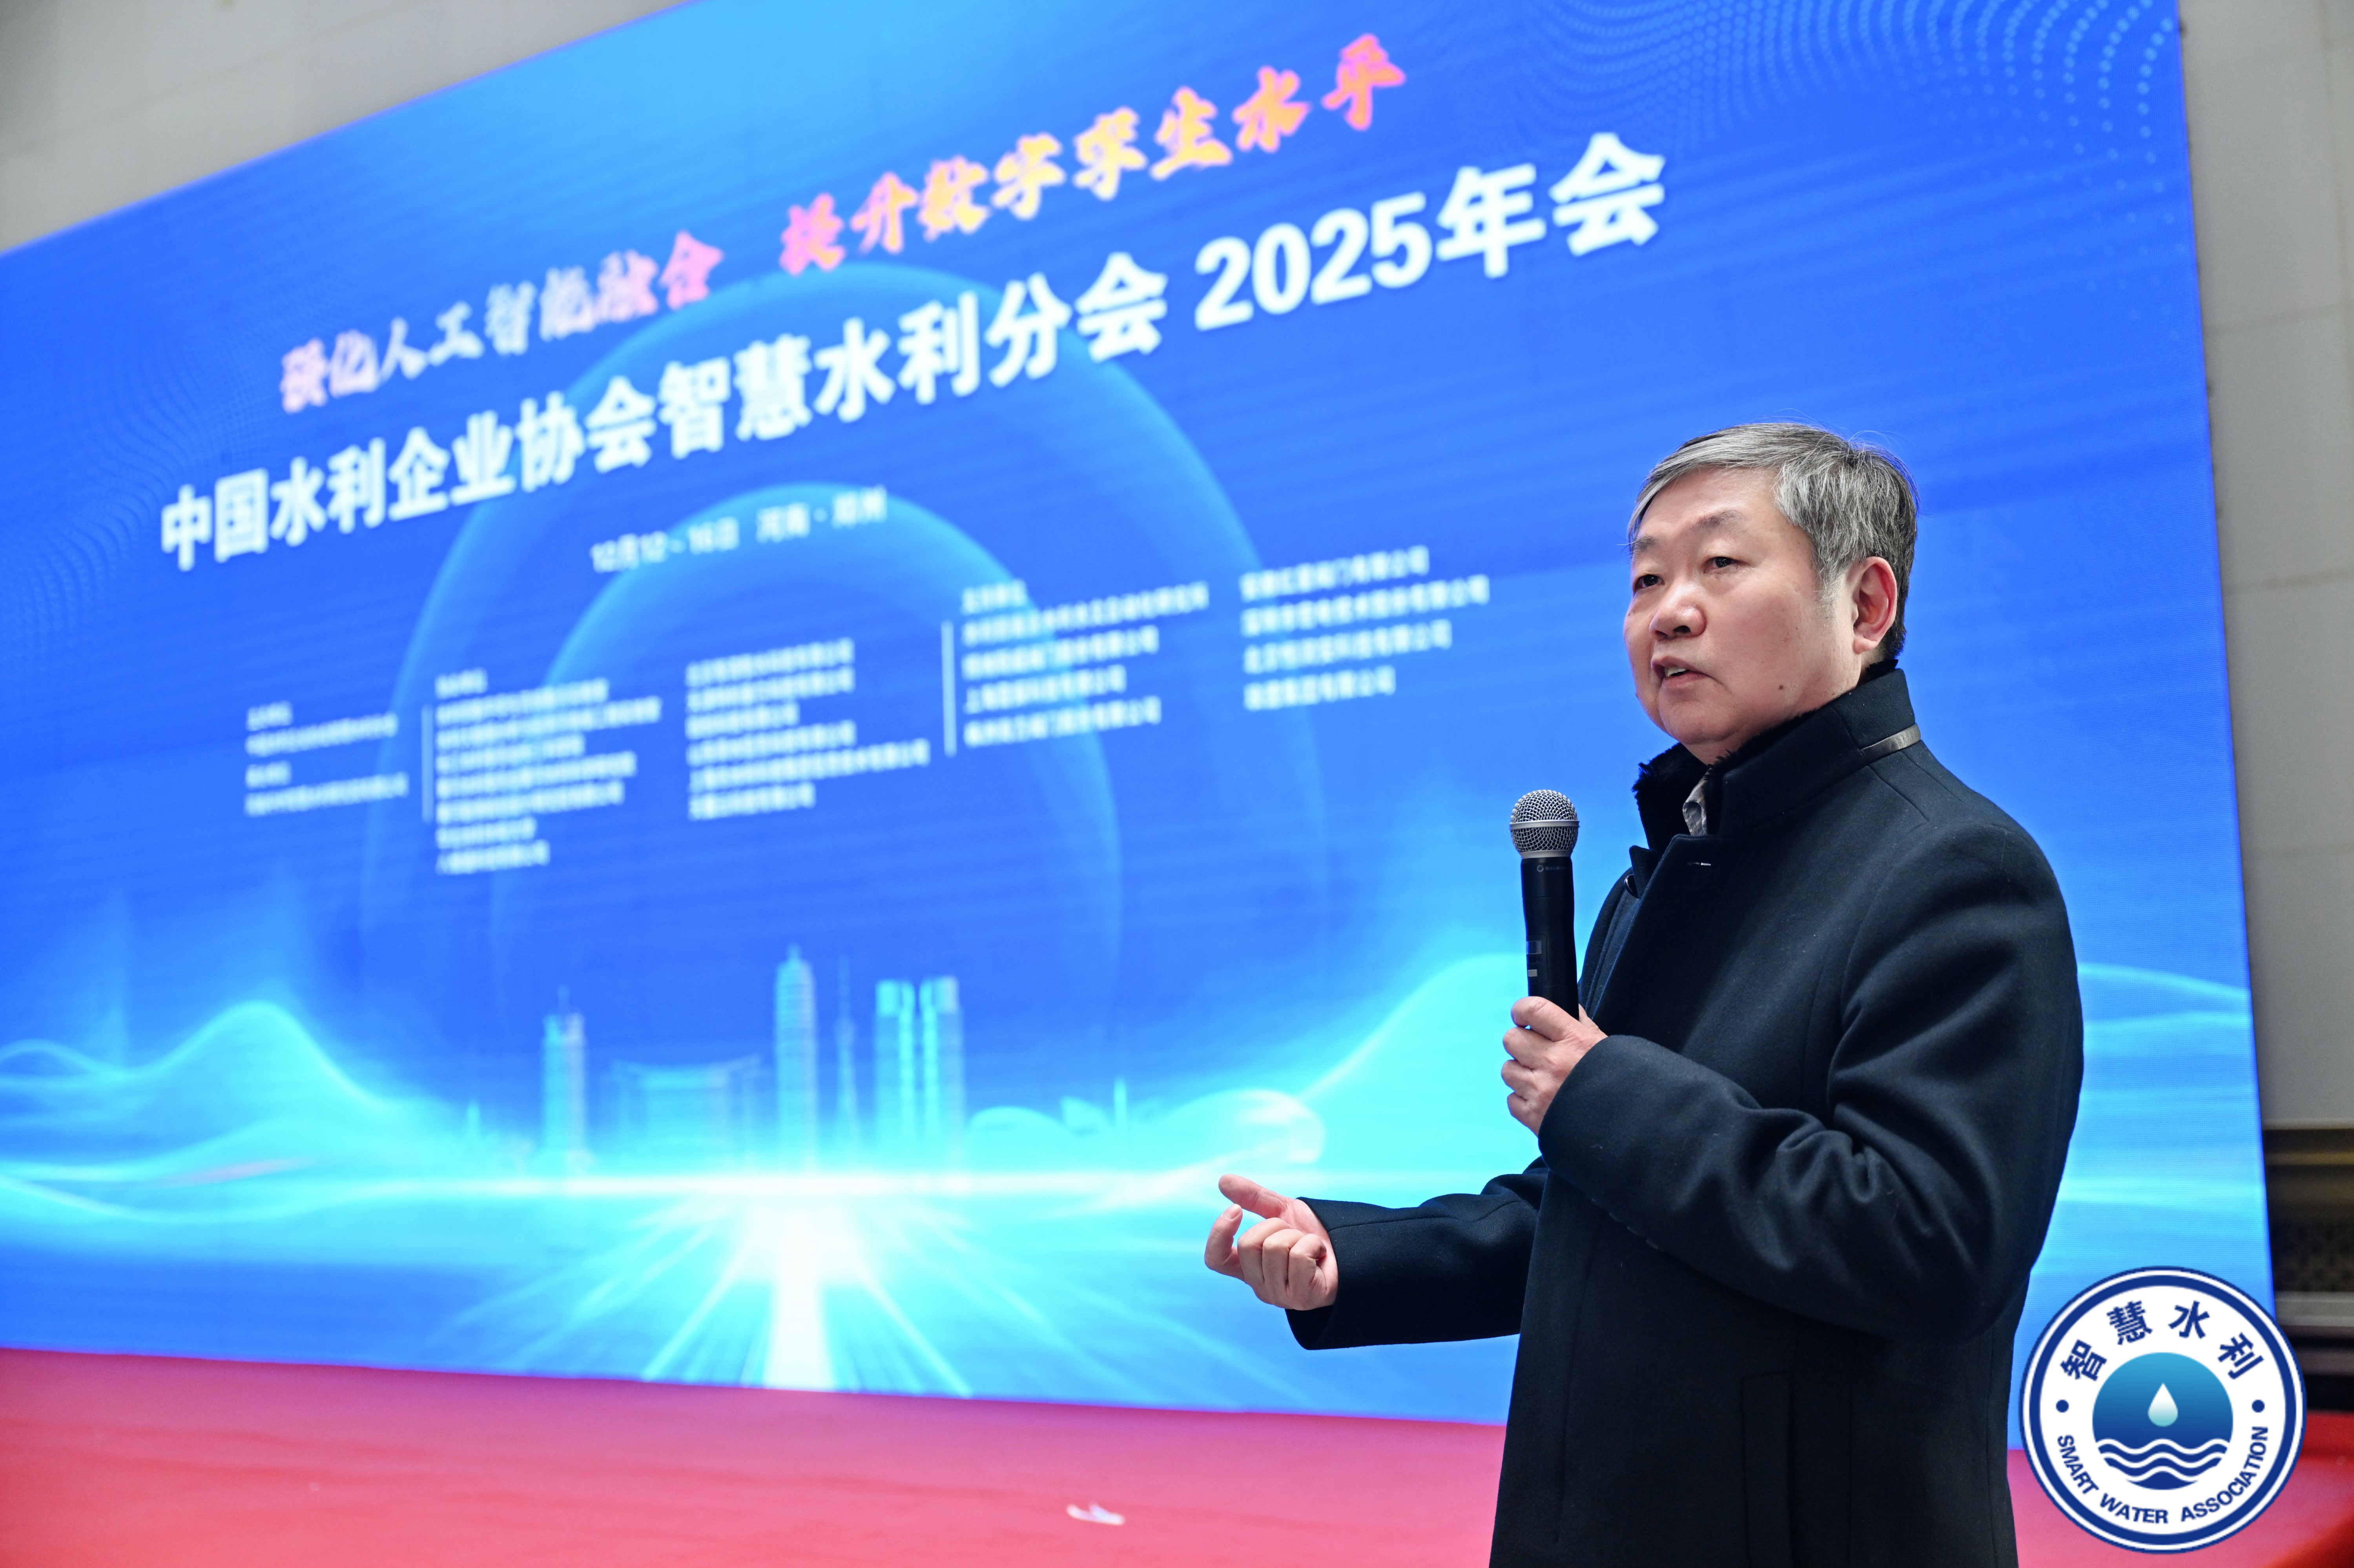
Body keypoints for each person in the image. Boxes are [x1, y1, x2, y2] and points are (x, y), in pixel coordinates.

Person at [1204, 424, 2082, 1568]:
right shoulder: (1671, 873)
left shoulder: (1954, 871)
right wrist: (1356, 1257)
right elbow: (1599, 1211)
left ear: (1865, 607)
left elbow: (1928, 1239)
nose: (1669, 612)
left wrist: (1607, 1093)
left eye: (1719, 564)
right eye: (1646, 579)